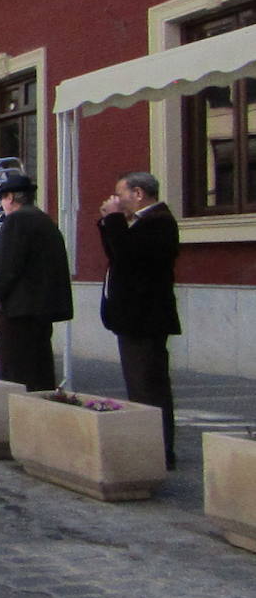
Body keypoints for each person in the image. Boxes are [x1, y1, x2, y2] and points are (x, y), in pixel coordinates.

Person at [98, 171, 182, 470]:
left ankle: (159, 449)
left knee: (148, 385)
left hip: (145, 319)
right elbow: (117, 255)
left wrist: (114, 220)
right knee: (140, 385)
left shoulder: (159, 222)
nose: (117, 200)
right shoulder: (142, 224)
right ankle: (151, 445)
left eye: (121, 194)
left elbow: (129, 256)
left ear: (138, 193)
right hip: (134, 319)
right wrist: (109, 222)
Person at [0, 173, 73, 391]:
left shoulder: (17, 221)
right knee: (39, 368)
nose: (1, 204)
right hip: (41, 309)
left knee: (16, 371)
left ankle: (22, 416)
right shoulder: (44, 220)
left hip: (18, 310)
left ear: (10, 198)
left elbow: (7, 266)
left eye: (2, 198)